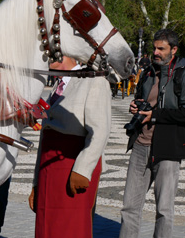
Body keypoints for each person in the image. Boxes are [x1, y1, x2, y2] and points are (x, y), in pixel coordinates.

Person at [28, 56, 111, 238]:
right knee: (46, 226)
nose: (46, 54)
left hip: (72, 164)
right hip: (49, 168)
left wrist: (83, 169)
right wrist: (36, 183)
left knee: (70, 227)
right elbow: (44, 136)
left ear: (71, 53)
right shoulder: (58, 86)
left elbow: (100, 131)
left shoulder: (94, 79)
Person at [119, 29, 185, 238]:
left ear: (173, 50)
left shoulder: (182, 74)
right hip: (140, 145)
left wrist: (154, 115)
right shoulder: (148, 72)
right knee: (129, 206)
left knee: (164, 210)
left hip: (167, 149)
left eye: (161, 49)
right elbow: (142, 98)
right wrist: (135, 106)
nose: (155, 52)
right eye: (154, 47)